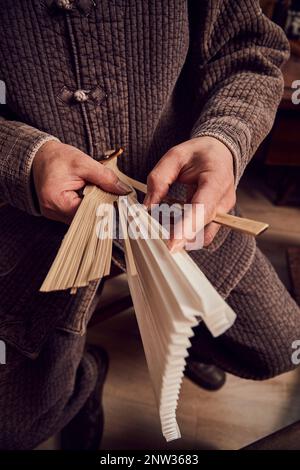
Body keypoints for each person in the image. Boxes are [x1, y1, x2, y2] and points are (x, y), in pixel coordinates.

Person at [0, 0, 299, 450]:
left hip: (177, 210)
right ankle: (88, 374)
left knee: (279, 347)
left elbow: (251, 52)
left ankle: (180, 330)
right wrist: (23, 159)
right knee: (16, 429)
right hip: (31, 228)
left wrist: (226, 140)